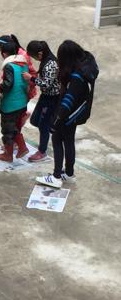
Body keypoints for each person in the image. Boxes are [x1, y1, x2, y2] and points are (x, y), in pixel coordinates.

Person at [37, 41, 98, 189]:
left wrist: (56, 121)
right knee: (69, 141)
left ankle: (56, 176)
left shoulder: (77, 77)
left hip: (68, 115)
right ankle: (69, 174)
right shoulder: (87, 65)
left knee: (57, 140)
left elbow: (68, 101)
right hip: (78, 113)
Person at [24, 40, 60, 163]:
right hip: (45, 96)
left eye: (34, 56)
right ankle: (53, 126)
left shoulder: (51, 64)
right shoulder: (45, 60)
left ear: (39, 54)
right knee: (35, 120)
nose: (35, 59)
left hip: (52, 98)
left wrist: (32, 79)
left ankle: (42, 151)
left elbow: (47, 85)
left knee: (43, 125)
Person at [0, 38, 30, 162]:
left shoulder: (9, 66)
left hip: (11, 104)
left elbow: (8, 84)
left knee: (8, 129)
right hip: (22, 102)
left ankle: (16, 149)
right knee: (15, 126)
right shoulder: (23, 63)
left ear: (4, 54)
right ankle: (13, 150)